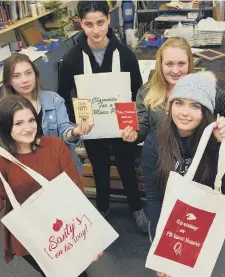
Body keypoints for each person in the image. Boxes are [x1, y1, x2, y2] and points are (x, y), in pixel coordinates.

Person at [0, 95, 100, 277]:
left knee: (77, 270)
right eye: (19, 123)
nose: (28, 128)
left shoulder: (55, 146)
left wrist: (89, 238)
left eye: (31, 120)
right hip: (32, 235)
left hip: (67, 227)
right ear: (6, 127)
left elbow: (76, 193)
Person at [57, 1, 148, 232]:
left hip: (121, 125)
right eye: (88, 24)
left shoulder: (126, 55)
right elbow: (63, 94)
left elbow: (138, 91)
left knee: (127, 165)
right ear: (80, 23)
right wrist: (75, 119)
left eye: (100, 23)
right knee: (99, 167)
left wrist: (134, 123)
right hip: (91, 126)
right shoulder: (71, 59)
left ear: (109, 20)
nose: (95, 30)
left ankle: (136, 207)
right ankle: (103, 207)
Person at [141, 72, 225, 277]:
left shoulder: (213, 139)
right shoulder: (154, 143)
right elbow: (153, 198)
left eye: (195, 106)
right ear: (169, 107)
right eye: (179, 103)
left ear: (206, 112)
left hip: (199, 223)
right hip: (168, 221)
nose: (185, 112)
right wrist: (162, 248)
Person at [0, 53, 92, 173]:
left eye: (28, 73)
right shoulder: (3, 108)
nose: (25, 80)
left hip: (60, 167)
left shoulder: (53, 100)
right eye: (16, 76)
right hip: (26, 173)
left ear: (35, 75)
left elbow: (64, 133)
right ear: (8, 81)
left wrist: (74, 132)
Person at [121, 37, 225, 143]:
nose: (175, 70)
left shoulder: (203, 87)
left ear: (190, 64)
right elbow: (143, 125)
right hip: (161, 162)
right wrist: (135, 134)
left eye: (181, 63)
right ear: (160, 65)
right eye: (169, 64)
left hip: (198, 163)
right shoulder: (147, 92)